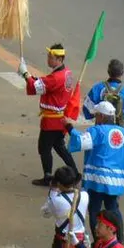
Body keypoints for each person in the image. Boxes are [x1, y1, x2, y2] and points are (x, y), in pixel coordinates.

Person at [69, 101, 124, 242]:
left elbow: (81, 142)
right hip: (116, 182)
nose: (95, 119)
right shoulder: (123, 133)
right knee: (114, 209)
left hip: (96, 180)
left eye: (96, 116)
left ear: (102, 117)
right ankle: (119, 241)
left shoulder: (97, 131)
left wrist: (70, 129)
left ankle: (98, 242)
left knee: (94, 210)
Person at [20, 44, 77, 186]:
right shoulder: (67, 73)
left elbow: (36, 86)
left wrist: (25, 74)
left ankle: (47, 176)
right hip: (60, 118)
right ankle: (75, 172)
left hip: (51, 121)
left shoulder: (56, 77)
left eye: (50, 58)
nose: (48, 60)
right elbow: (45, 83)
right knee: (59, 146)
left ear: (59, 59)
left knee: (44, 148)